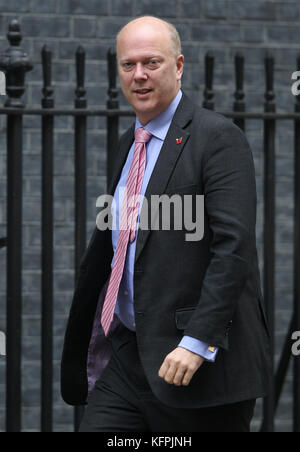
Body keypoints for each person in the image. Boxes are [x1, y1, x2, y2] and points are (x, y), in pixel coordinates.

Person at [61, 16, 271, 432]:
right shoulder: (130, 143)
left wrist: (198, 342)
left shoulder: (217, 137)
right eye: (128, 65)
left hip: (194, 366)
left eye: (151, 63)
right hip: (127, 356)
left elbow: (234, 248)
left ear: (177, 66)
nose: (138, 75)